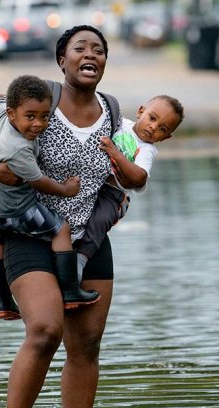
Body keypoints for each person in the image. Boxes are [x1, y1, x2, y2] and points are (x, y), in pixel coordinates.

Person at [0, 25, 118, 408]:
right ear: (61, 59)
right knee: (46, 331)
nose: (90, 55)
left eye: (98, 50)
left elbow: (126, 166)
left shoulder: (113, 110)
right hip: (29, 232)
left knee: (86, 346)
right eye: (80, 48)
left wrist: (122, 196)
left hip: (87, 241)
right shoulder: (38, 96)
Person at [0, 74, 100, 321]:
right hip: (16, 210)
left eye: (44, 116)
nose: (38, 124)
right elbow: (39, 182)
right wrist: (66, 189)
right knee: (60, 229)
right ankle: (70, 291)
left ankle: (2, 302)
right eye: (30, 116)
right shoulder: (18, 147)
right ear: (12, 114)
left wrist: (6, 99)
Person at [75, 95, 184, 278]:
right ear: (141, 111)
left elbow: (139, 178)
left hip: (113, 193)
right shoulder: (120, 124)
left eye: (162, 129)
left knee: (100, 220)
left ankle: (80, 260)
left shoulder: (146, 150)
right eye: (152, 118)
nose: (153, 127)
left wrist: (115, 153)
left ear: (166, 137)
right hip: (92, 180)